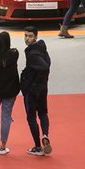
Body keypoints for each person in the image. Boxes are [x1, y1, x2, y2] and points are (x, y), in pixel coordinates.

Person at [21, 26, 52, 156]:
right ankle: (45, 135)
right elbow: (48, 63)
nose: (27, 39)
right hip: (43, 87)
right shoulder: (42, 48)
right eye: (26, 36)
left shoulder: (33, 53)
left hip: (32, 89)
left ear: (35, 37)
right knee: (43, 113)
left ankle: (38, 147)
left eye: (30, 36)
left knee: (31, 117)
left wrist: (28, 78)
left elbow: (44, 67)